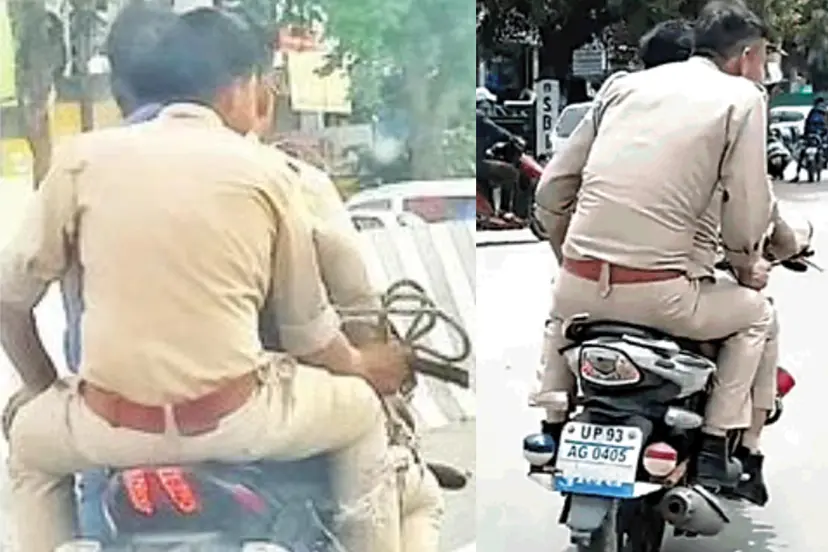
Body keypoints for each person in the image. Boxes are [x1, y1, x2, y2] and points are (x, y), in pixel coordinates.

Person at [0, 8, 407, 552]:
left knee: (30, 446)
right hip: (236, 420)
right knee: (360, 416)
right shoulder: (274, 173)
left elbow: (9, 299)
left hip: (110, 428)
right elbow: (309, 333)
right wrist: (364, 367)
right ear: (239, 89)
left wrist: (43, 388)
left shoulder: (79, 160)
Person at [534, 1, 776, 492]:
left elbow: (553, 189)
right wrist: (747, 263)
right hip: (663, 296)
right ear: (748, 56)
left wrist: (571, 258)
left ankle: (552, 425)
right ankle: (715, 444)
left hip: (579, 286)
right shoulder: (742, 99)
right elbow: (748, 203)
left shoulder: (620, 87)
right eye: (765, 60)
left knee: (562, 314)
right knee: (757, 315)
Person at [791, 97, 827, 182]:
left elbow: (806, 125)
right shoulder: (822, 113)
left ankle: (797, 174)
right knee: (803, 152)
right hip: (817, 136)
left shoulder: (813, 112)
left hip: (812, 136)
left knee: (802, 153)